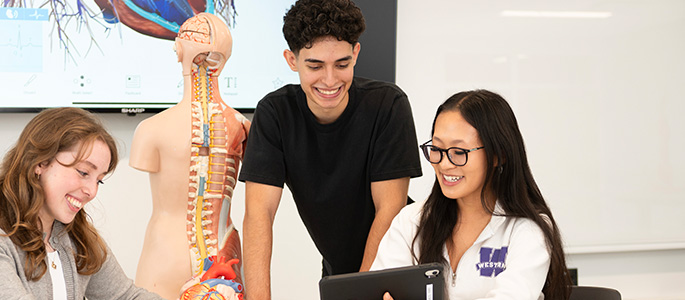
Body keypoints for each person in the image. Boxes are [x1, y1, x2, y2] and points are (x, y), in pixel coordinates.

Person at [239, 0, 422, 298]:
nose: (330, 80)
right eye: (314, 65)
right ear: (291, 59)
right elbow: (259, 213)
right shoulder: (274, 114)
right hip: (338, 271)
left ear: (356, 54)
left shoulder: (387, 105)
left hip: (401, 264)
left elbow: (389, 210)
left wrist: (362, 291)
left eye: (342, 64)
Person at [0, 107, 163, 300]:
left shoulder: (78, 240)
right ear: (40, 163)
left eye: (99, 180)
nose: (92, 191)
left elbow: (125, 297)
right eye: (83, 172)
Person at [370, 90, 571, 300]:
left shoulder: (527, 230)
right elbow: (380, 293)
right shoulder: (411, 221)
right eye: (437, 149)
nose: (444, 164)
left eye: (459, 152)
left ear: (498, 156)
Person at [130, 13, 247, 299]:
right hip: (224, 255)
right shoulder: (243, 126)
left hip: (165, 256)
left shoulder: (149, 129)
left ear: (179, 51)